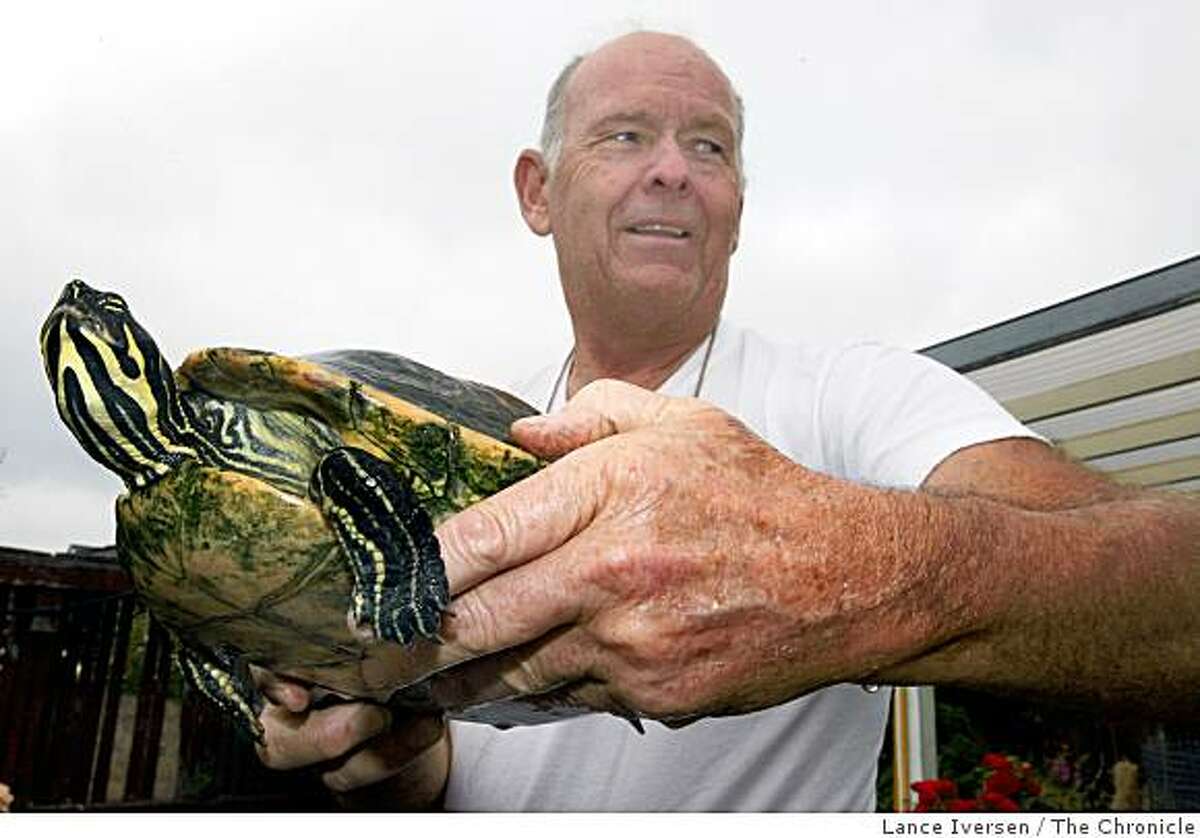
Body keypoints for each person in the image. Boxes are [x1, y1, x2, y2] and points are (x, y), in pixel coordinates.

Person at [253, 31, 1200, 811]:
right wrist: (391, 754)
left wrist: (838, 568)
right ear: (538, 191)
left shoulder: (850, 394)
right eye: (625, 135)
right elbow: (464, 772)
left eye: (709, 147)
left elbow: (1175, 592)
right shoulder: (453, 425)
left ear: (738, 209)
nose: (672, 171)